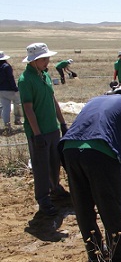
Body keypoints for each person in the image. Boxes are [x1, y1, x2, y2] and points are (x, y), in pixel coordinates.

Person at [59, 83, 121, 262]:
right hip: (100, 153)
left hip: (69, 150)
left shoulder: (97, 99)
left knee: (83, 207)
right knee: (111, 206)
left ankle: (94, 254)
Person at [18, 43, 69, 216]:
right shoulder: (25, 80)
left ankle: (54, 188)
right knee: (41, 167)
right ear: (34, 60)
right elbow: (28, 108)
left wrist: (62, 123)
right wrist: (37, 133)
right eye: (44, 59)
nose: (48, 61)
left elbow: (53, 101)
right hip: (38, 132)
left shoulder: (45, 76)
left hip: (52, 128)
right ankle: (43, 199)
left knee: (55, 162)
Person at [0, 51, 22, 133]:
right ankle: (17, 119)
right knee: (18, 102)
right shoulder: (6, 66)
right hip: (9, 89)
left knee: (6, 107)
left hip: (1, 90)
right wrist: (15, 88)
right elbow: (10, 78)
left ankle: (7, 124)